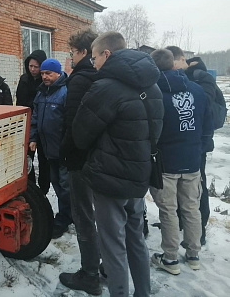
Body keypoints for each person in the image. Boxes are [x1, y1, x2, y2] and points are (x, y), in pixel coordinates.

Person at [72, 32, 163, 297]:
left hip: (110, 180)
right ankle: (143, 293)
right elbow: (156, 131)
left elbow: (80, 134)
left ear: (107, 54)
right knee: (135, 238)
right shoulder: (153, 86)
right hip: (138, 177)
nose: (93, 63)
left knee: (113, 246)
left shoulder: (106, 87)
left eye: (94, 56)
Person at [149, 49, 213, 274]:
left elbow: (152, 129)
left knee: (168, 211)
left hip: (166, 162)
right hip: (192, 159)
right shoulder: (197, 90)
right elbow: (208, 122)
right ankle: (194, 254)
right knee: (191, 208)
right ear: (175, 64)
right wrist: (200, 146)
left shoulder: (153, 91)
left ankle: (170, 259)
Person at [59, 29, 101, 295]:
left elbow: (72, 123)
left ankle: (89, 274)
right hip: (101, 158)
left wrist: (66, 154)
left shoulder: (79, 80)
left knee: (83, 216)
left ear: (83, 52)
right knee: (104, 217)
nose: (70, 57)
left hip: (81, 160)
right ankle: (106, 265)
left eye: (73, 52)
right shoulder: (100, 76)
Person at [167, 47, 215, 246]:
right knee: (186, 193)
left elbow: (207, 113)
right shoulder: (187, 78)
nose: (171, 68)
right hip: (188, 145)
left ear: (181, 60)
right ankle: (181, 226)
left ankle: (199, 233)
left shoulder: (201, 78)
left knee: (197, 192)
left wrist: (201, 145)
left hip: (196, 146)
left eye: (173, 63)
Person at [29, 58, 72, 239]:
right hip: (47, 150)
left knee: (65, 186)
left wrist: (66, 145)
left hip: (62, 150)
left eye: (48, 74)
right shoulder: (41, 94)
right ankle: (69, 214)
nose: (45, 77)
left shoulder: (65, 92)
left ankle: (65, 217)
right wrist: (33, 138)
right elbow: (35, 119)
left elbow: (70, 123)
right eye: (43, 74)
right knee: (57, 183)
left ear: (58, 73)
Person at [16, 50, 50, 194]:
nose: (33, 69)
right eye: (31, 66)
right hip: (27, 124)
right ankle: (30, 186)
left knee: (44, 159)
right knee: (27, 158)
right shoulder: (24, 80)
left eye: (36, 67)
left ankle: (43, 189)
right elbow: (19, 103)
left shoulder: (46, 82)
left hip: (42, 124)